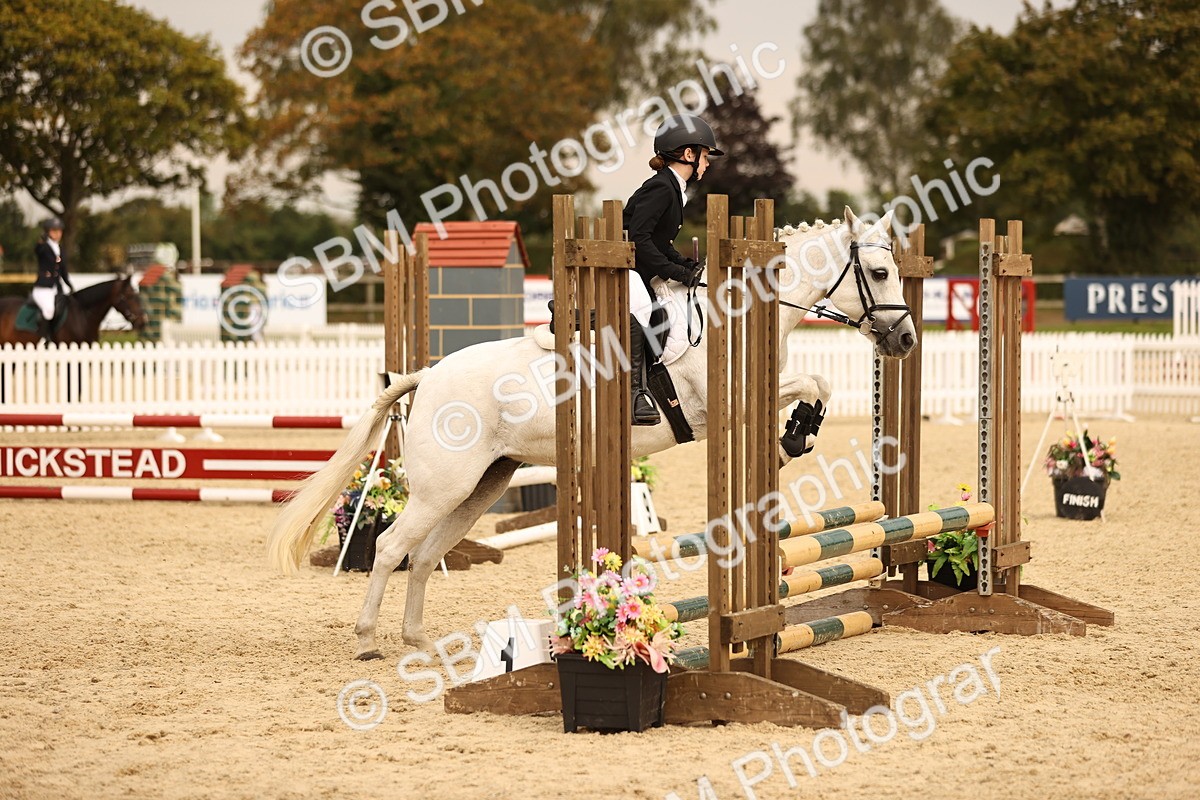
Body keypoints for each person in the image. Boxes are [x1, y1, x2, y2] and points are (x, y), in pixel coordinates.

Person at [622, 114, 722, 425]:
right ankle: (635, 393)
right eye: (705, 156)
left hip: (637, 266)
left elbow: (659, 241)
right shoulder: (662, 188)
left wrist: (685, 265)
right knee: (643, 308)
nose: (707, 164)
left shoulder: (673, 187)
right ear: (688, 154)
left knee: (665, 310)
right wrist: (675, 272)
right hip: (620, 267)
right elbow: (638, 238)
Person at [32, 217, 73, 343]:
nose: (57, 234)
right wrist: (42, 242)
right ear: (47, 232)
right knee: (49, 310)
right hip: (43, 288)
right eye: (54, 231)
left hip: (57, 288)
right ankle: (43, 339)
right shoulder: (44, 247)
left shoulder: (60, 249)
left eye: (59, 231)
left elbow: (63, 271)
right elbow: (38, 251)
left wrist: (70, 285)